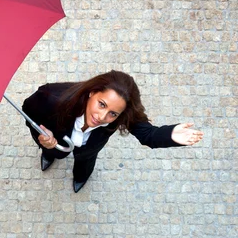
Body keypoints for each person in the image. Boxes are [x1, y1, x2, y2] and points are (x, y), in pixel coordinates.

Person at [22, 70, 204, 193]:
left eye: (113, 113)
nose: (101, 117)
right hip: (56, 139)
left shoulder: (123, 114)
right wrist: (44, 138)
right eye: (102, 104)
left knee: (85, 161)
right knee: (51, 151)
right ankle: (50, 155)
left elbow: (148, 135)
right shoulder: (52, 97)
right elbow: (28, 110)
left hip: (89, 147)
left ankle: (81, 177)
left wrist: (170, 134)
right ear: (92, 92)